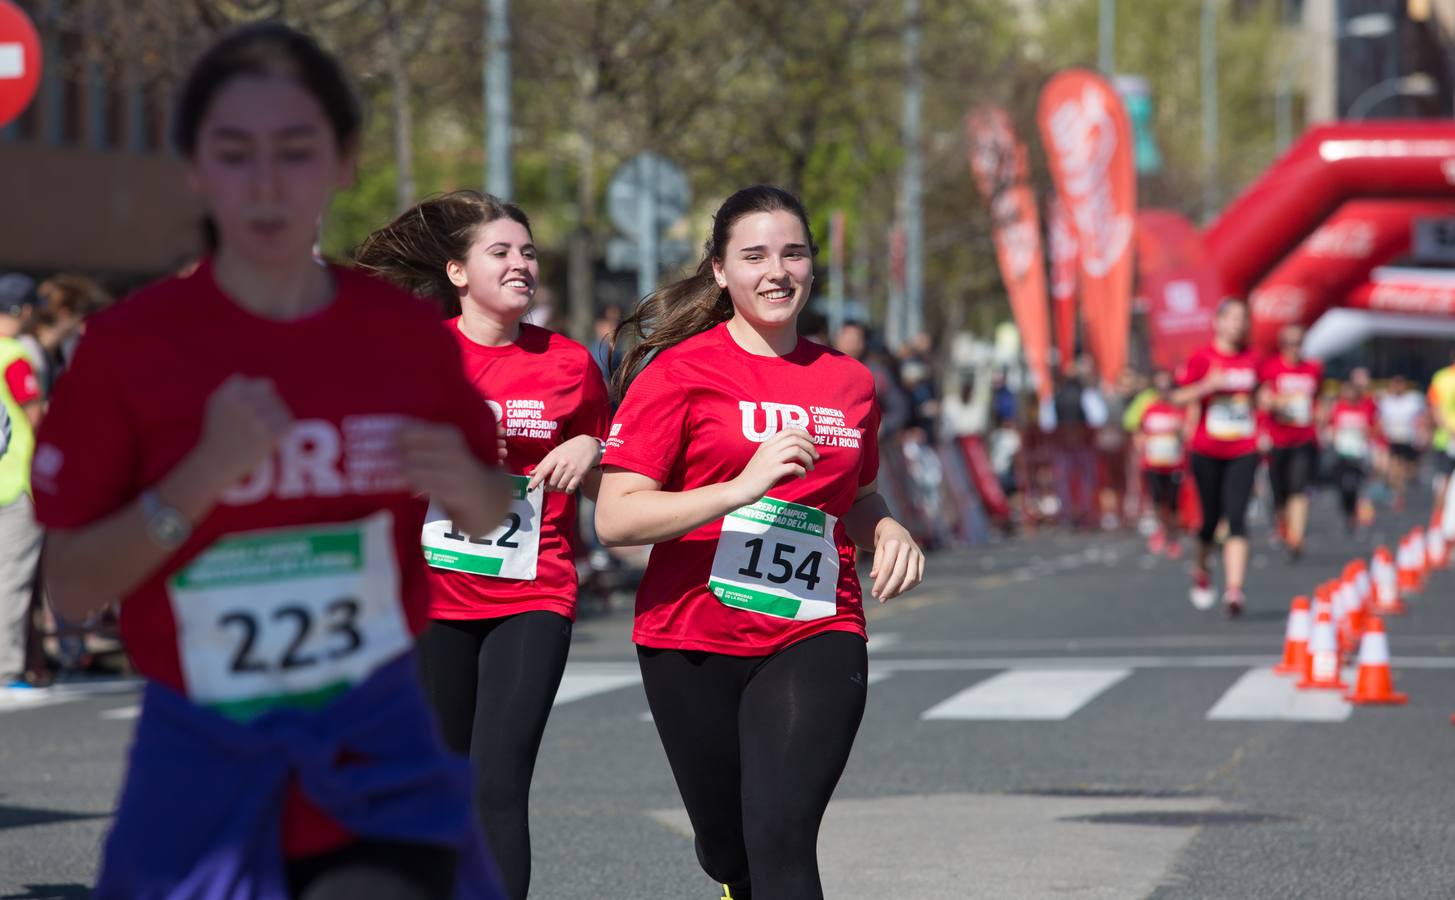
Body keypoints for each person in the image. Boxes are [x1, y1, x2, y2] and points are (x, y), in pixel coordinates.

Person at [30, 23, 510, 898]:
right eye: (234, 151)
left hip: (373, 748)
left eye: (294, 151)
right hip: (202, 754)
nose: (265, 182)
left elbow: (486, 512)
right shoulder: (132, 347)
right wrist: (199, 478)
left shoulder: (400, 336)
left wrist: (462, 476)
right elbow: (70, 586)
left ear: (342, 160)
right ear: (194, 166)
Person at [595, 185, 925, 900]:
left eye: (793, 253)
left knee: (781, 835)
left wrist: (889, 525)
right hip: (689, 634)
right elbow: (616, 518)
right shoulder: (679, 373)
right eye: (754, 255)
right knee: (729, 848)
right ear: (720, 271)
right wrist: (737, 490)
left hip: (815, 627)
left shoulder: (848, 382)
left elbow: (859, 496)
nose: (776, 271)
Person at [355, 190, 611, 900]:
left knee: (499, 781)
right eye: (500, 252)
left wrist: (591, 444)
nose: (520, 263)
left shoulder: (567, 364)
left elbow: (610, 484)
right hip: (432, 595)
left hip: (535, 592)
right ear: (458, 273)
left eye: (526, 252)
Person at [1173, 299, 1261, 616]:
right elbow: (1177, 395)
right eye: (1233, 317)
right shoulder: (1202, 358)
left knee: (1237, 517)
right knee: (1209, 521)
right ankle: (1202, 568)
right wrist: (1207, 386)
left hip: (1243, 448)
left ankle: (1234, 591)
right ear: (1218, 321)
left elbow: (1260, 396)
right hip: (1207, 448)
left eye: (1244, 318)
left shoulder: (1253, 359)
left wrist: (1269, 409)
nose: (1239, 324)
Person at [0, 273, 45, 689]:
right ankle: (7, 668)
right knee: (11, 579)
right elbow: (35, 415)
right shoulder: (13, 354)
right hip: (15, 483)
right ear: (25, 311)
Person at [1257, 323, 1322, 561]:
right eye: (1290, 343)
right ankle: (1284, 523)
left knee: (1299, 489)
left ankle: (1296, 537)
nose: (1295, 348)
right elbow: (1263, 401)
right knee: (1280, 494)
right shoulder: (1271, 368)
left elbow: (1318, 400)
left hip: (1303, 439)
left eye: (1299, 343)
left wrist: (1320, 417)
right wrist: (1280, 403)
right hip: (1277, 439)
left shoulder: (1313, 369)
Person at [1136, 370, 1185, 559]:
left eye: (1167, 388)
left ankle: (1173, 537)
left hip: (1174, 464)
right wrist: (1141, 442)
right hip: (1153, 463)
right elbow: (1140, 431)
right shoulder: (1150, 409)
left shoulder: (1178, 409)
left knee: (1173, 504)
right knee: (1157, 500)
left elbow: (1186, 432)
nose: (1164, 392)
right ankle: (1160, 532)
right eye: (1160, 388)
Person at [1326, 378, 1380, 534]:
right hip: (1341, 453)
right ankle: (1346, 511)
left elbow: (1375, 428)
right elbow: (1331, 426)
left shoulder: (1365, 408)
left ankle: (1358, 513)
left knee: (1358, 485)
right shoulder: (1338, 408)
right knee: (1343, 486)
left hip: (1359, 453)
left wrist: (1367, 433)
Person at [1378, 374, 1426, 513]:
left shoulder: (1413, 400)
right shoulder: (1386, 401)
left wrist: (1422, 434)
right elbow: (1380, 421)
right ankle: (1397, 495)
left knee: (1408, 470)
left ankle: (1404, 489)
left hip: (1408, 440)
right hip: (1392, 440)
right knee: (1394, 469)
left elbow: (1422, 418)